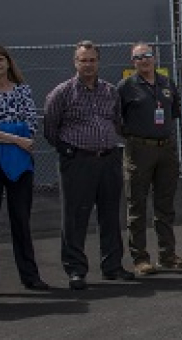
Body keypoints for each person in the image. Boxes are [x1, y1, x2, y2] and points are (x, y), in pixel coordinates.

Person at [44, 40, 133, 289]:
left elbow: (116, 121)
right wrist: (68, 151)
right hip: (78, 162)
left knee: (110, 215)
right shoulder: (62, 92)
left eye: (92, 60)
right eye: (83, 60)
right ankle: (76, 270)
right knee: (75, 216)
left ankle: (113, 266)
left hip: (108, 159)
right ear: (75, 62)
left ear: (99, 62)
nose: (88, 65)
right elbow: (50, 127)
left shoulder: (110, 91)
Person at [0, 45, 48, 299]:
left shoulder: (23, 90)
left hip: (19, 165)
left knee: (21, 221)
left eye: (0, 59)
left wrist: (3, 132)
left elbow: (30, 123)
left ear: (8, 62)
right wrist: (14, 138)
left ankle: (30, 276)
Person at [118, 42, 182, 276]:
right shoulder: (126, 87)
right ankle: (140, 258)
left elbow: (174, 113)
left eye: (148, 55)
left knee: (165, 205)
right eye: (138, 57)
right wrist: (133, 137)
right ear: (133, 62)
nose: (144, 60)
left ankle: (167, 254)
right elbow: (116, 119)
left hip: (166, 149)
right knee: (137, 205)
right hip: (138, 150)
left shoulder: (167, 83)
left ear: (155, 57)